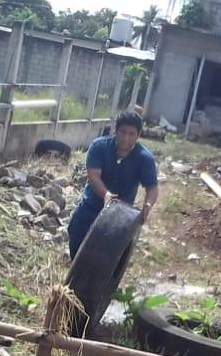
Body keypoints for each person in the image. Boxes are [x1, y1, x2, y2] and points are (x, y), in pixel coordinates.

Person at [68, 110, 159, 258]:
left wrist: (148, 205)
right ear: (115, 130)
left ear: (138, 135)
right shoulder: (99, 146)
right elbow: (93, 176)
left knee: (112, 257)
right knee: (76, 236)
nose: (126, 138)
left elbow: (152, 188)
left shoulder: (144, 158)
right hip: (91, 206)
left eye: (131, 134)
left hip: (120, 216)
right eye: (123, 132)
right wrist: (106, 195)